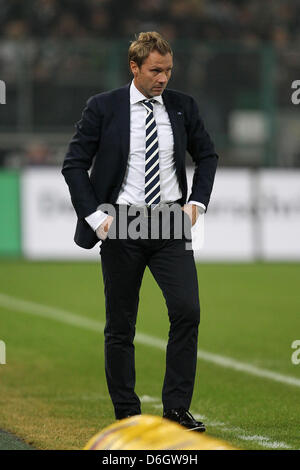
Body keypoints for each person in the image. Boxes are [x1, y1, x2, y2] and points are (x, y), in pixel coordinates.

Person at [62, 31, 218, 432]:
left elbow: (207, 154)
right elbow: (74, 164)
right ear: (135, 67)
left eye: (168, 70)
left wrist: (196, 204)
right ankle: (127, 415)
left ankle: (177, 410)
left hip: (169, 222)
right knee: (120, 324)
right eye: (155, 70)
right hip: (122, 222)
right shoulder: (103, 107)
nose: (163, 78)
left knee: (188, 311)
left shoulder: (183, 107)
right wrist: (96, 218)